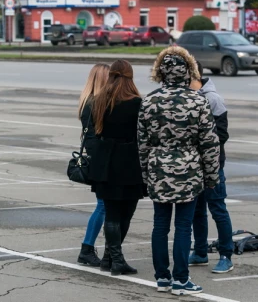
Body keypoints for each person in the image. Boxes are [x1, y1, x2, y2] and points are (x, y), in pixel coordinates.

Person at [138, 46, 220, 296]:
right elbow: (209, 143)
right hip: (189, 171)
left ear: (161, 73)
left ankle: (162, 277)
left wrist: (145, 174)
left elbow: (142, 143)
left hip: (158, 169)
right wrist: (212, 176)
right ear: (188, 73)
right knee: (184, 226)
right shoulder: (198, 101)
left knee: (160, 225)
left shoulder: (149, 101)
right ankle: (181, 280)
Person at [88, 60, 144, 276]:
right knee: (126, 213)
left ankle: (109, 258)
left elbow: (95, 129)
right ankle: (115, 259)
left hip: (104, 161)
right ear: (130, 77)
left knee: (112, 213)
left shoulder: (100, 100)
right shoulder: (136, 102)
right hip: (129, 161)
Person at [189, 61, 234, 273]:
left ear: (194, 76)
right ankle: (200, 252)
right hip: (192, 165)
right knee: (197, 211)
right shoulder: (187, 98)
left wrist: (200, 144)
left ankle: (226, 255)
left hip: (213, 164)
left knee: (217, 208)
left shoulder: (213, 99)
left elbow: (223, 134)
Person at [76, 63, 110, 267]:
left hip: (93, 156)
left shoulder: (86, 101)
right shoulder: (98, 103)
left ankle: (89, 248)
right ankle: (87, 248)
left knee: (103, 205)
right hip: (101, 159)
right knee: (104, 206)